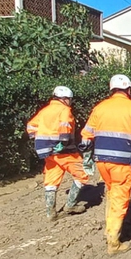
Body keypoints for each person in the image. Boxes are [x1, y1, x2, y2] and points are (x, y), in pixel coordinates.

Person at [79, 74, 131, 256]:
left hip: (101, 161)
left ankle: (109, 229)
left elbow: (86, 135)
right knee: (120, 198)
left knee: (112, 192)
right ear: (128, 90)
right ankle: (113, 242)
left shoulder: (99, 107)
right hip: (120, 161)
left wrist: (86, 150)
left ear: (111, 89)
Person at [26, 86, 89, 221]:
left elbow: (30, 127)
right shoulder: (65, 110)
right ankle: (70, 205)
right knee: (82, 175)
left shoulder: (44, 111)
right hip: (64, 151)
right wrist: (63, 142)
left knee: (51, 180)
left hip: (47, 152)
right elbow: (65, 127)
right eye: (70, 99)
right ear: (65, 99)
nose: (70, 102)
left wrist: (40, 139)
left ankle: (51, 213)